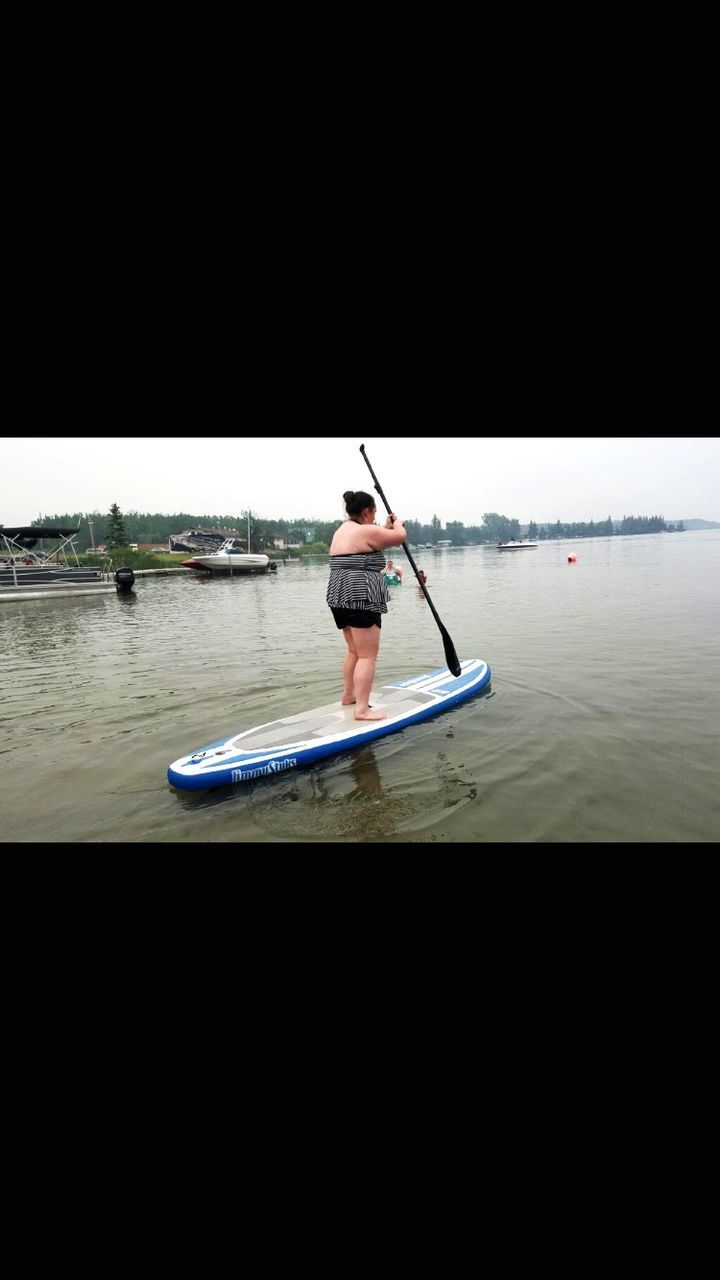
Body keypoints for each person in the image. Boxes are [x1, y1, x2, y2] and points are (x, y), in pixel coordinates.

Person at [327, 489, 406, 721]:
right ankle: (362, 709)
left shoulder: (342, 530)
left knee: (354, 650)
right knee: (367, 655)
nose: (374, 518)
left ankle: (349, 695)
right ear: (366, 511)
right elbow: (399, 537)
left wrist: (384, 526)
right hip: (361, 595)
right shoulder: (366, 531)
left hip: (338, 594)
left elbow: (375, 536)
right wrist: (398, 524)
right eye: (373, 513)